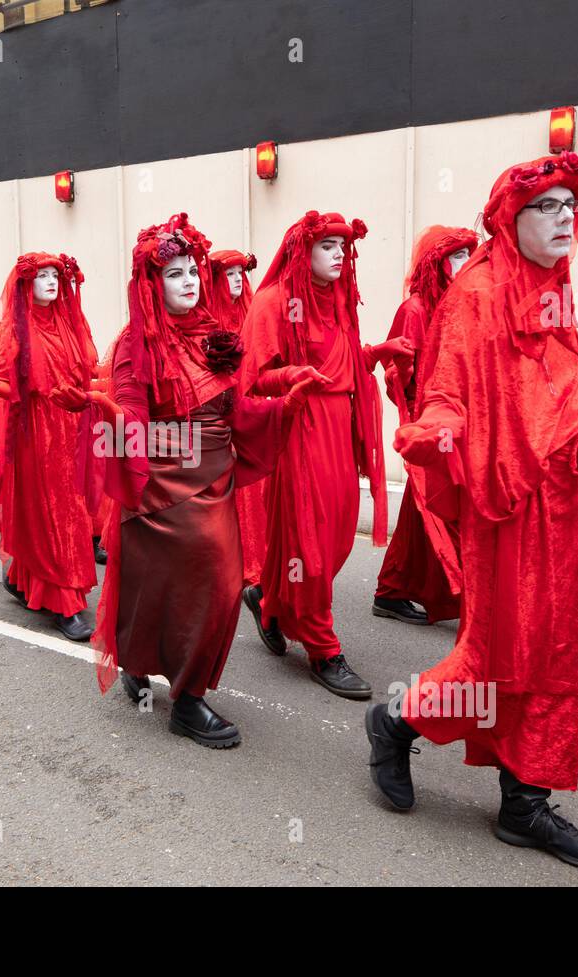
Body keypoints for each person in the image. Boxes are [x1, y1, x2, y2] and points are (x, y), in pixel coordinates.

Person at [365, 152, 578, 871]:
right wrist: (434, 428)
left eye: (573, 206)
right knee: (495, 659)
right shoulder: (474, 294)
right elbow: (451, 388)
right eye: (550, 206)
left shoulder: (553, 285)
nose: (567, 218)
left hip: (570, 511)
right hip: (512, 515)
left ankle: (525, 802)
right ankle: (396, 720)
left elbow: (549, 389)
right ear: (512, 217)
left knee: (561, 656)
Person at [95, 215, 315, 747]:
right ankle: (185, 701)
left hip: (213, 483)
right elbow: (132, 421)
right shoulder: (135, 344)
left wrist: (284, 405)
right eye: (174, 274)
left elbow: (237, 409)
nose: (190, 280)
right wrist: (106, 413)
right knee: (165, 588)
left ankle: (171, 681)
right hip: (162, 490)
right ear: (153, 285)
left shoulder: (215, 336)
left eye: (192, 270)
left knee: (215, 588)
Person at [240, 211, 392, 700]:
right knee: (311, 541)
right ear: (301, 251)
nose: (339, 254)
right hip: (301, 428)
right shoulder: (272, 302)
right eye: (327, 245)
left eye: (343, 246)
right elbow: (252, 378)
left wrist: (381, 351)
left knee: (341, 531)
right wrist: (290, 378)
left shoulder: (341, 300)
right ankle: (323, 648)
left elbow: (342, 365)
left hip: (339, 430)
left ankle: (268, 596)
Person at [0, 253, 100, 641]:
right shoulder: (13, 327)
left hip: (71, 428)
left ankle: (23, 577)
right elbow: (6, 382)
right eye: (41, 275)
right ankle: (66, 600)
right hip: (34, 432)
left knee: (69, 507)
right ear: (26, 283)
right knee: (54, 512)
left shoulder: (67, 321)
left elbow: (87, 368)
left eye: (54, 275)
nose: (51, 281)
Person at [372, 226, 477, 626]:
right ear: (436, 264)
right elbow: (401, 368)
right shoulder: (416, 308)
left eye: (468, 256)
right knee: (431, 507)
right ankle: (431, 589)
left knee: (424, 509)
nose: (465, 265)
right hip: (426, 424)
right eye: (455, 257)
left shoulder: (455, 305)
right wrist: (418, 419)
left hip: (450, 423)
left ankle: (393, 589)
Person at [209, 248, 268, 591]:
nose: (236, 281)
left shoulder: (251, 314)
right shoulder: (206, 320)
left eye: (239, 274)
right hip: (222, 412)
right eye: (228, 274)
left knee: (252, 486)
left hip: (250, 407)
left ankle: (253, 554)